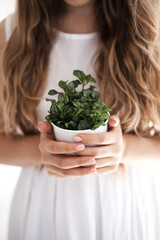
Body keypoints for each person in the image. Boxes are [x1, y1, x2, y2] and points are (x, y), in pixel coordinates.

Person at [0, 0, 160, 239]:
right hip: (43, 208)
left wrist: (123, 148)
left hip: (124, 209)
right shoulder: (11, 32)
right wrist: (43, 151)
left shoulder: (150, 31)